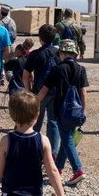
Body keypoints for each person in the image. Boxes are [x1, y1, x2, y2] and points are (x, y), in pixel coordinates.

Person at [36, 39, 88, 186]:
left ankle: (78, 170)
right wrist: (83, 112)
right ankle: (58, 168)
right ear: (75, 54)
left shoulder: (57, 69)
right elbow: (83, 93)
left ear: (61, 53)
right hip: (76, 111)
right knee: (68, 138)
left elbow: (45, 90)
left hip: (62, 109)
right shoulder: (81, 69)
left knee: (67, 140)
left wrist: (34, 103)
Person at [22, 24, 60, 159]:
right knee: (53, 122)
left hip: (39, 93)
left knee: (36, 121)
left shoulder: (35, 54)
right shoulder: (58, 54)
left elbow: (25, 76)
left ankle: (33, 148)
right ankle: (53, 152)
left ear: (40, 38)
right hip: (56, 93)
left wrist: (28, 93)